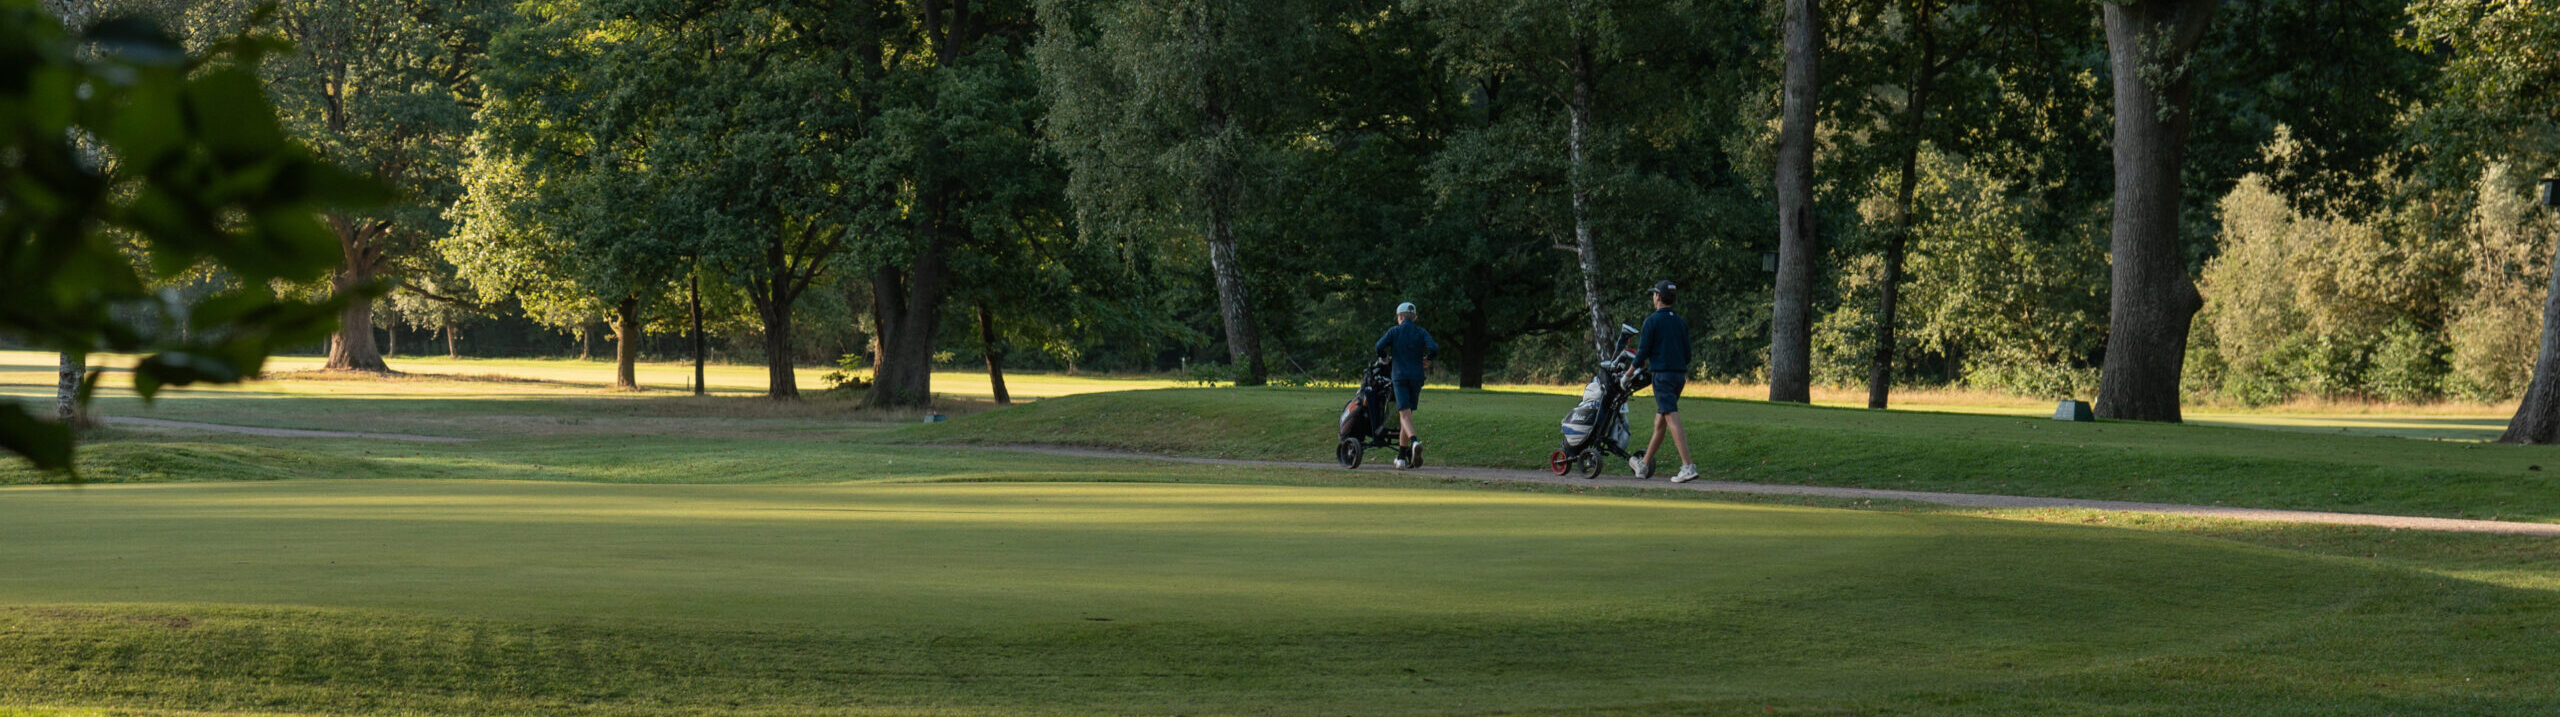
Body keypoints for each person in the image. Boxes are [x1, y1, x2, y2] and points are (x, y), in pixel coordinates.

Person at [1627, 281, 1698, 482]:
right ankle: (1644, 464)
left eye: (1654, 294)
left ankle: (1687, 466)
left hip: (1662, 377)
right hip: (1679, 377)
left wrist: (1627, 375)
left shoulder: (1652, 321)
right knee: (1660, 420)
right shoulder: (1680, 322)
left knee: (1670, 415)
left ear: (1658, 297)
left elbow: (1642, 354)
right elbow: (1687, 354)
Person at [1373, 301, 1439, 469]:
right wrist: (1428, 359)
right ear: (1414, 317)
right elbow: (1434, 348)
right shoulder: (1421, 332)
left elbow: (1379, 346)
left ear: (1400, 317)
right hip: (1417, 378)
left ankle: (1414, 442)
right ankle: (1401, 458)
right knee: (1407, 415)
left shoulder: (1394, 331)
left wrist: (1384, 358)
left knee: (1404, 415)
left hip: (1400, 377)